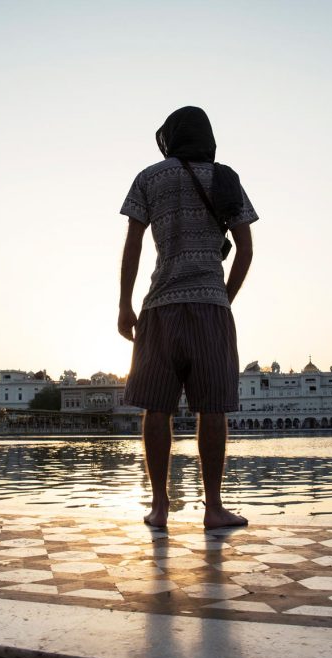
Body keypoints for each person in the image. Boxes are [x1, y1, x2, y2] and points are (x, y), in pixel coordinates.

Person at [117, 106, 258, 529]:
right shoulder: (225, 178)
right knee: (212, 409)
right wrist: (223, 297)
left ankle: (160, 507)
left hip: (159, 307)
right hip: (210, 310)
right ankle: (213, 509)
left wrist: (124, 304)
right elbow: (247, 249)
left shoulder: (149, 177)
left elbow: (133, 246)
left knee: (156, 409)